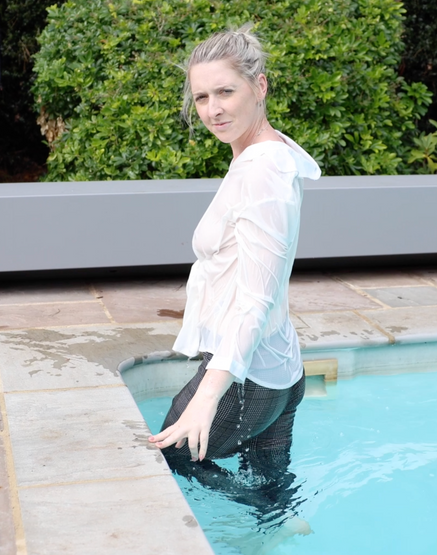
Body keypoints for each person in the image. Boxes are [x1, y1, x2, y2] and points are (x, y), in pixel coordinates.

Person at [147, 24, 320, 534]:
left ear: (259, 86)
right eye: (202, 97)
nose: (213, 109)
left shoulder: (261, 171)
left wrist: (207, 397)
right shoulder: (265, 153)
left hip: (249, 380)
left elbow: (257, 298)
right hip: (279, 371)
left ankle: (276, 519)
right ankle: (277, 525)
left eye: (225, 91)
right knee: (271, 496)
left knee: (170, 456)